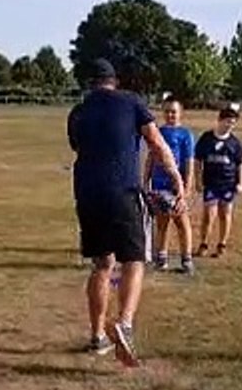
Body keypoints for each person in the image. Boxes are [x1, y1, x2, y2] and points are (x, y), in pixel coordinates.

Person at [68, 59, 186, 367]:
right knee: (134, 260)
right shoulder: (131, 102)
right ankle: (126, 324)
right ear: (114, 81)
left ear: (90, 83)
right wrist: (175, 176)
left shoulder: (78, 112)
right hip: (122, 192)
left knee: (102, 264)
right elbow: (156, 142)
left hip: (87, 194)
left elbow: (80, 148)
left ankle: (97, 337)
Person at [144, 98, 197, 275]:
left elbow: (189, 163)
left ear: (180, 113)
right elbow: (151, 158)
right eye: (167, 111)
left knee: (182, 222)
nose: (170, 115)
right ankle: (161, 258)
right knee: (162, 223)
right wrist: (145, 180)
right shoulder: (158, 132)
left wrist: (186, 189)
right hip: (159, 185)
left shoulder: (185, 134)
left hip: (176, 186)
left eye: (173, 111)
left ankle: (186, 259)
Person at [195, 104, 242, 259]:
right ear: (219, 120)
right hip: (210, 183)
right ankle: (203, 244)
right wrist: (198, 180)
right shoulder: (207, 138)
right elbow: (198, 161)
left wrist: (240, 183)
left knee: (225, 214)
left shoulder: (234, 143)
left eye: (233, 123)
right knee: (208, 215)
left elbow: (240, 164)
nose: (229, 125)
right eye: (227, 122)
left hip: (228, 184)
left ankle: (222, 244)